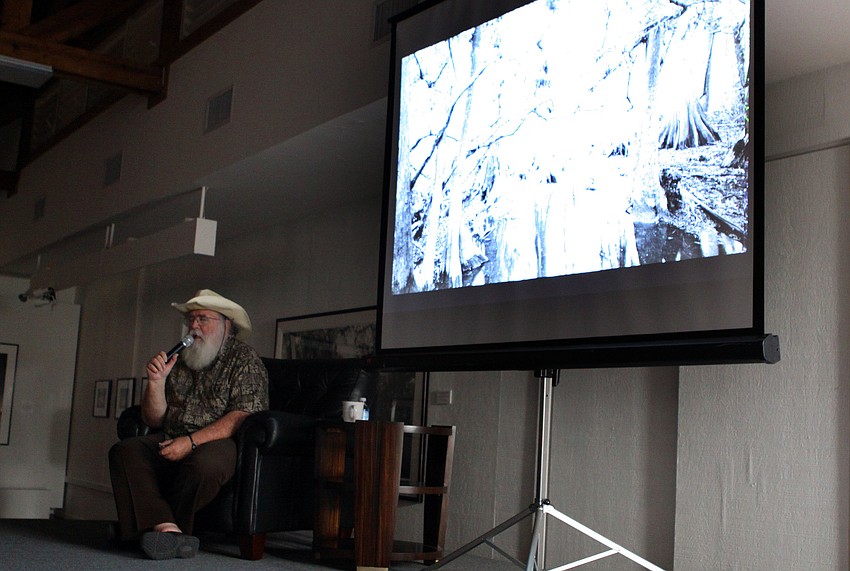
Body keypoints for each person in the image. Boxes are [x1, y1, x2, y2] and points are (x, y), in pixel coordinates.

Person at [109, 289, 269, 560]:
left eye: (203, 319)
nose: (194, 326)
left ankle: (142, 528)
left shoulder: (244, 359)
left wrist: (192, 442)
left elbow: (243, 415)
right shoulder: (182, 359)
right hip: (172, 434)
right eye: (191, 319)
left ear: (226, 325)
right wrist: (156, 383)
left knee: (205, 466)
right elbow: (153, 419)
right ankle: (169, 531)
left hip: (219, 441)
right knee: (125, 450)